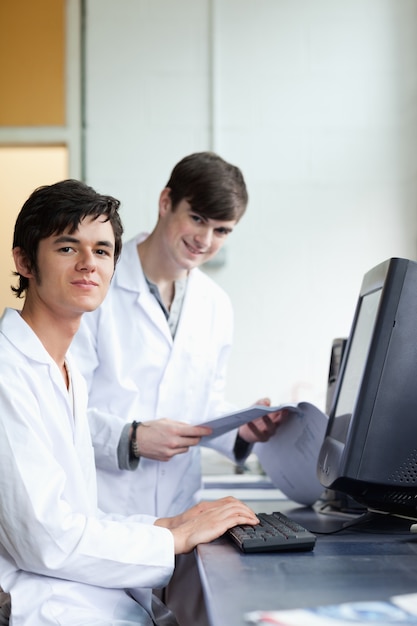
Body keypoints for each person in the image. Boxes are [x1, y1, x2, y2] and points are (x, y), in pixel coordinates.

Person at [0, 179, 260, 626]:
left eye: (102, 251)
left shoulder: (64, 375)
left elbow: (79, 515)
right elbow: (45, 540)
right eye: (67, 248)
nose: (88, 264)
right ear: (24, 261)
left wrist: (172, 525)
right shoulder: (8, 372)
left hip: (82, 581)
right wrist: (173, 537)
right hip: (40, 601)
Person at [71, 152, 285, 625]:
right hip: (107, 516)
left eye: (223, 230)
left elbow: (203, 401)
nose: (205, 240)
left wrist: (243, 429)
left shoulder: (215, 304)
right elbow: (60, 406)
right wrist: (130, 437)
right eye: (198, 219)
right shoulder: (95, 285)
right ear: (166, 201)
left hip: (182, 520)